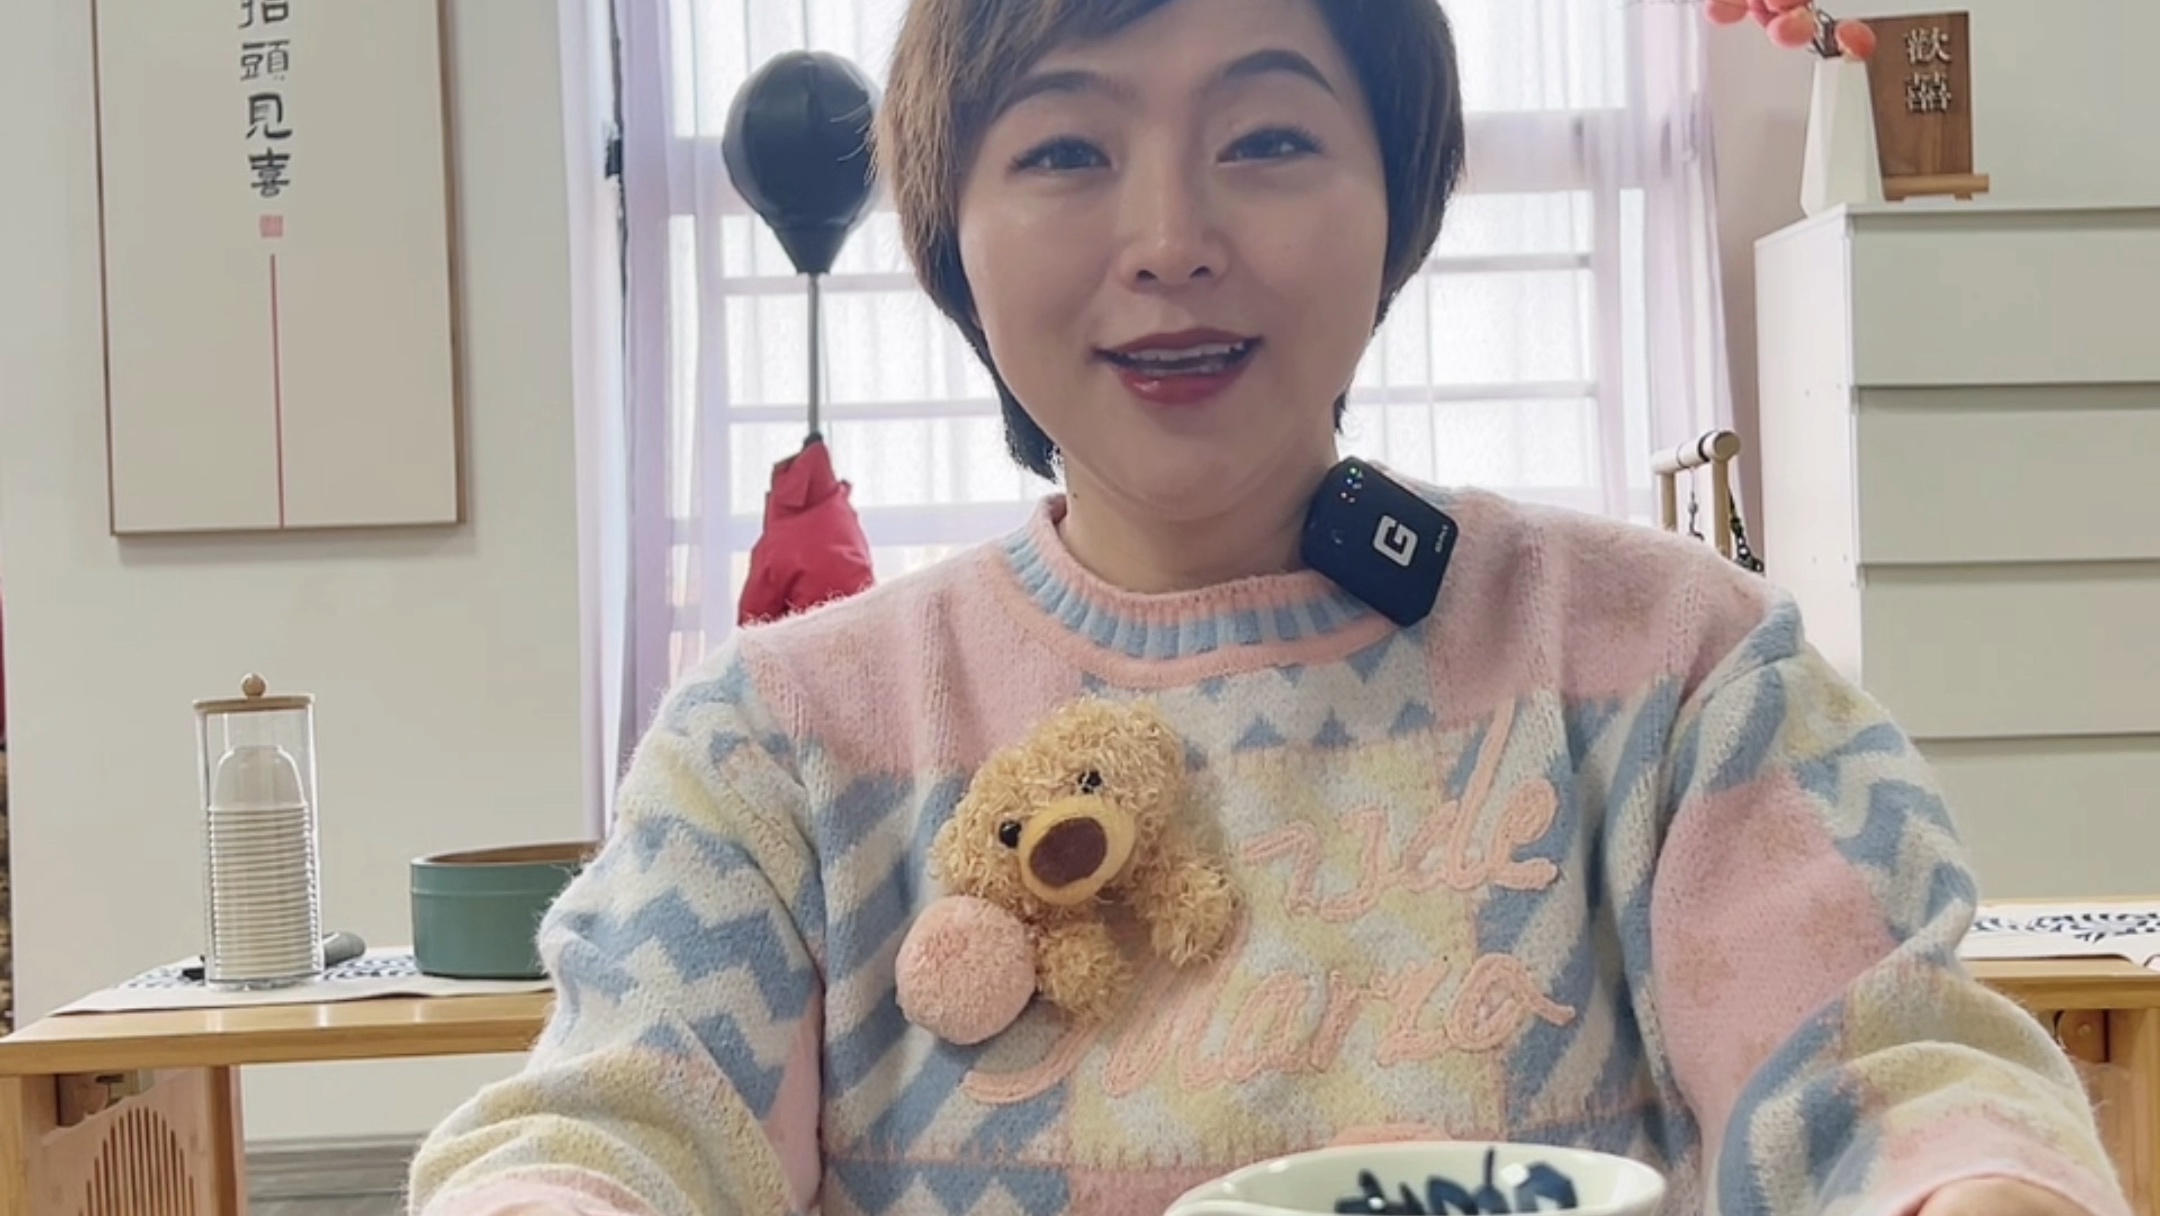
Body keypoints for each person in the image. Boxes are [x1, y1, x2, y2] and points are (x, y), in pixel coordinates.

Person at [407, 2, 2127, 1214]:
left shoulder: (1672, 670)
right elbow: (620, 1129)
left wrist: (1978, 1182)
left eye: (1272, 138)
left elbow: (1887, 1080)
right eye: (1065, 147)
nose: (1171, 237)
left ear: (1399, 201)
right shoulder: (777, 745)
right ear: (951, 236)